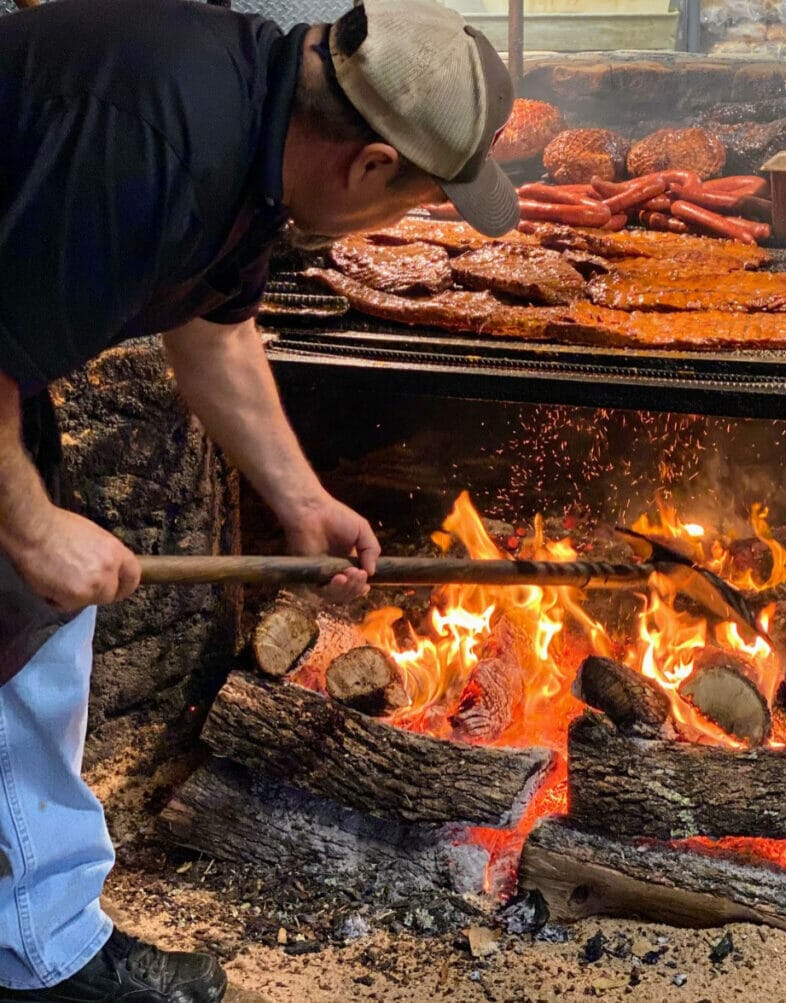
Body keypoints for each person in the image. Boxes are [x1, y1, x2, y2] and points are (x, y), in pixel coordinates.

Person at [0, 0, 517, 998]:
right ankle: (43, 956)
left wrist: (302, 500)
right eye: (413, 196)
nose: (403, 222)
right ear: (366, 165)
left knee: (31, 630)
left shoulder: (250, 127)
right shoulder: (149, 146)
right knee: (22, 623)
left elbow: (215, 333)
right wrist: (29, 525)